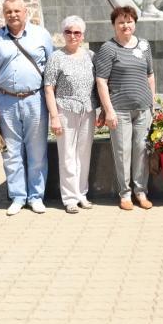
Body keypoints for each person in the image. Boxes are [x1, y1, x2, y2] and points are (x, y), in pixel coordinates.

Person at [0, 0, 54, 216]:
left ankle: (36, 196)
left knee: (37, 151)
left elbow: (51, 70)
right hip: (6, 101)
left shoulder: (42, 35)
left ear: (25, 12)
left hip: (35, 99)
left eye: (17, 11)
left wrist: (53, 106)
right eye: (8, 11)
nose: (13, 15)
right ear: (4, 14)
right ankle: (18, 196)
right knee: (11, 151)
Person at [94, 6, 156, 211]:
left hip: (142, 109)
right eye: (121, 22)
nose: (125, 25)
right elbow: (101, 81)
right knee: (123, 152)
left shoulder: (144, 46)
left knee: (141, 151)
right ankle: (125, 193)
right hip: (119, 110)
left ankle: (141, 191)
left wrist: (152, 103)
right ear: (114, 25)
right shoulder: (108, 48)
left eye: (129, 21)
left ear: (135, 23)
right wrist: (108, 110)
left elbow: (150, 75)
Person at [45, 15, 100, 214]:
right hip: (65, 110)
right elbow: (49, 88)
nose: (72, 36)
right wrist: (54, 116)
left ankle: (81, 194)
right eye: (68, 32)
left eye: (77, 32)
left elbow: (98, 86)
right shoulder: (56, 57)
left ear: (83, 35)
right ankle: (69, 198)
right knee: (67, 154)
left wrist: (100, 110)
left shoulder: (91, 56)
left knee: (84, 153)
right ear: (63, 34)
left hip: (88, 109)